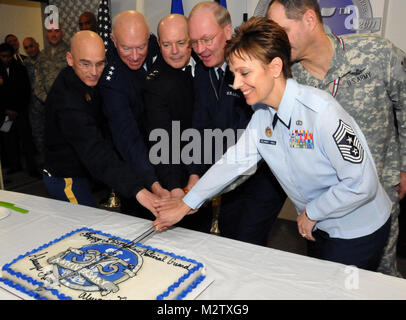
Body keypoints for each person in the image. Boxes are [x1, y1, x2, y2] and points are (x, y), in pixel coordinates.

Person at [153, 17, 392, 272]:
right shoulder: (263, 116)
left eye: (245, 73)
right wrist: (188, 202)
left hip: (356, 230)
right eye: (234, 74)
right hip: (317, 225)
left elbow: (361, 183)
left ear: (275, 67)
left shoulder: (321, 113)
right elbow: (233, 162)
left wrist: (313, 212)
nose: (236, 84)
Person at [267, 0, 406, 277]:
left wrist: (405, 165)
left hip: (379, 193)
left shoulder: (376, 52)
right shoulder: (290, 81)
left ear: (309, 19)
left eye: (283, 30)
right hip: (325, 207)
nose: (277, 43)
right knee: (327, 281)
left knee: (381, 275)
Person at [181, 2, 285, 246]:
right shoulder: (205, 72)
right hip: (228, 178)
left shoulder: (252, 69)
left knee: (246, 241)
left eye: (207, 39)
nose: (200, 49)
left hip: (262, 176)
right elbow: (200, 123)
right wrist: (196, 172)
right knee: (228, 240)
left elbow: (253, 136)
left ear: (227, 32)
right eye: (194, 42)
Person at [42, 30, 158, 215]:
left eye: (100, 64)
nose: (94, 72)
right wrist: (139, 191)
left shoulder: (84, 79)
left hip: (84, 173)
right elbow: (95, 151)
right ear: (70, 59)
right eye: (85, 64)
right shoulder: (67, 101)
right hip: (66, 179)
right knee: (87, 228)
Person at [143, 14, 211, 233]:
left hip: (209, 171)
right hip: (176, 177)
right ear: (158, 43)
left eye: (181, 43)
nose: (174, 51)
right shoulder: (156, 84)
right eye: (166, 44)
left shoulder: (206, 66)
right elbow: (163, 138)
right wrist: (173, 187)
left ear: (191, 40)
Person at [98, 10, 169, 218]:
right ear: (113, 40)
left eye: (141, 46)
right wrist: (152, 183)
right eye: (126, 48)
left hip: (170, 152)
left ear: (149, 37)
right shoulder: (111, 78)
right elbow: (127, 136)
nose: (135, 56)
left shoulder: (161, 47)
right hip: (137, 162)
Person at [0, 42, 37, 176]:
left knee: (26, 139)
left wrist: (16, 110)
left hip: (20, 112)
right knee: (9, 139)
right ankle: (15, 165)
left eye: (8, 56)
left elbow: (25, 91)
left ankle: (32, 168)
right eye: (3, 56)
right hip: (5, 113)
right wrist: (6, 110)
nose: (6, 59)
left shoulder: (20, 68)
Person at [23, 37, 44, 162]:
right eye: (26, 48)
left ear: (37, 44)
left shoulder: (47, 60)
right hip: (33, 107)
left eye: (31, 46)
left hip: (49, 104)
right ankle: (45, 163)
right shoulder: (25, 64)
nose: (30, 49)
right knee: (38, 135)